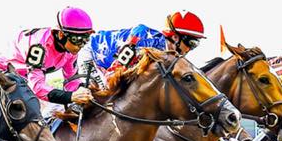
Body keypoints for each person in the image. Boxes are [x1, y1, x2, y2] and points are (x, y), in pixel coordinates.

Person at [0, 7, 95, 118]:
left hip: (26, 78)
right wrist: (71, 96)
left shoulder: (71, 50)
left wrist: (83, 90)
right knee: (36, 114)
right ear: (61, 35)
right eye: (78, 39)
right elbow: (37, 87)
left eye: (86, 39)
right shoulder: (38, 47)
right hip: (5, 74)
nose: (81, 45)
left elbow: (72, 81)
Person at [76, 11, 206, 89]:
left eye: (195, 45)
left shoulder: (166, 55)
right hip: (91, 54)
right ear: (175, 37)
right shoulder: (144, 40)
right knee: (105, 90)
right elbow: (115, 71)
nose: (190, 49)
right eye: (192, 43)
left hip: (108, 63)